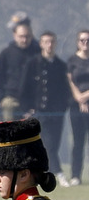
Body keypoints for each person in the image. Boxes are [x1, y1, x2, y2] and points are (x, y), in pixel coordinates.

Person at [21, 31, 72, 171]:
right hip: (38, 112)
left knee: (54, 144)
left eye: (52, 42)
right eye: (46, 42)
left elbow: (65, 90)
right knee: (44, 144)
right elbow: (25, 88)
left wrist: (62, 108)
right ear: (41, 44)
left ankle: (48, 172)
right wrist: (27, 108)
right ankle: (58, 172)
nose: (49, 45)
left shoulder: (61, 65)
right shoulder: (32, 63)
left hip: (56, 113)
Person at [0, 18, 39, 121]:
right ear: (15, 35)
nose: (24, 40)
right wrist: (1, 98)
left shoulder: (37, 53)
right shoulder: (6, 53)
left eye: (27, 37)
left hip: (32, 100)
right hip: (11, 98)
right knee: (11, 132)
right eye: (21, 36)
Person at [68, 29, 89, 185]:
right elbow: (70, 80)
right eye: (82, 40)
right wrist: (80, 99)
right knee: (78, 142)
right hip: (76, 107)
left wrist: (86, 96)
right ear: (78, 43)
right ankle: (75, 175)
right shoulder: (72, 60)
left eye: (88, 40)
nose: (85, 43)